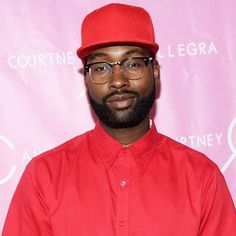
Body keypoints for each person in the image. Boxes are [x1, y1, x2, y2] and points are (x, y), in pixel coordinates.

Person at [2, 3, 236, 236]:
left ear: (155, 71)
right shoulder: (44, 177)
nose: (118, 80)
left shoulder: (201, 178)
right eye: (101, 67)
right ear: (86, 78)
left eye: (132, 64)